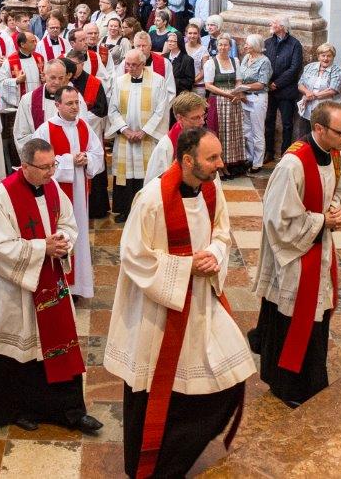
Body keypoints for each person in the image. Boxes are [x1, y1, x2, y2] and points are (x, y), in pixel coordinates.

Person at [107, 127, 251, 477]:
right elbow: (134, 256)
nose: (220, 164)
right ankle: (150, 465)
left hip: (200, 302)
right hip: (159, 309)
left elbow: (221, 232)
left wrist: (214, 255)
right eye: (212, 158)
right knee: (154, 387)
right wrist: (187, 267)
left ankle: (172, 458)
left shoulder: (212, 189)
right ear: (188, 160)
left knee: (230, 382)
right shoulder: (152, 198)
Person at [0, 138, 102, 434]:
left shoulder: (52, 188)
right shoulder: (2, 197)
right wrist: (44, 248)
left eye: (53, 164)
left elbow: (68, 222)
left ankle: (70, 411)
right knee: (22, 350)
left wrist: (63, 242)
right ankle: (20, 409)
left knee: (58, 342)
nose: (51, 172)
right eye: (44, 167)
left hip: (50, 280)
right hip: (15, 288)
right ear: (24, 166)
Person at [256, 101, 341, 406]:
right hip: (295, 253)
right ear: (319, 128)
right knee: (292, 314)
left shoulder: (336, 156)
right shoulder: (293, 164)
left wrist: (334, 210)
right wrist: (323, 220)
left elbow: (338, 190)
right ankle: (287, 385)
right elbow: (277, 218)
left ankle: (312, 379)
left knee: (317, 316)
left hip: (318, 246)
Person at [33, 85, 103, 298]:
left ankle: (78, 286)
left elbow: (97, 153)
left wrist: (87, 159)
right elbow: (36, 161)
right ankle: (59, 285)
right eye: (69, 103)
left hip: (79, 192)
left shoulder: (84, 126)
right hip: (55, 193)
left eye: (77, 103)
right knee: (59, 232)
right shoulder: (46, 129)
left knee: (79, 234)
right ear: (57, 105)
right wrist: (69, 161)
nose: (74, 107)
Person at [106, 50, 171, 223]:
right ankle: (124, 210)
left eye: (134, 65)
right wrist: (125, 130)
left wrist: (144, 131)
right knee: (124, 175)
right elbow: (112, 109)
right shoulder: (120, 81)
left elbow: (161, 111)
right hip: (125, 138)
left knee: (145, 174)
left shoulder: (158, 81)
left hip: (146, 138)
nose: (130, 68)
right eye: (127, 64)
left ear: (143, 64)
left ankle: (145, 211)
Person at [203, 36, 247, 174]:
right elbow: (208, 85)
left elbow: (238, 80)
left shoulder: (235, 61)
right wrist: (228, 94)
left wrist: (237, 92)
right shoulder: (211, 63)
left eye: (226, 45)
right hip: (219, 101)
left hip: (234, 101)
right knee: (220, 132)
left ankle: (228, 162)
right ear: (217, 46)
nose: (223, 47)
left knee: (232, 133)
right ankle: (219, 165)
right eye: (220, 45)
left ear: (230, 47)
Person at [145, 91, 208, 185]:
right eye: (196, 118)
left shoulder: (205, 140)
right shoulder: (166, 145)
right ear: (180, 118)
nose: (202, 122)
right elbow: (155, 184)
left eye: (203, 116)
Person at [264, 17, 304, 162]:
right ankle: (268, 152)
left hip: (286, 90)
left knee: (287, 123)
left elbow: (294, 68)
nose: (271, 25)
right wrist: (268, 83)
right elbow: (264, 64)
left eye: (273, 23)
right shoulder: (268, 43)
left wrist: (277, 83)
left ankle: (285, 152)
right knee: (269, 121)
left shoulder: (295, 44)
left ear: (282, 26)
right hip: (269, 90)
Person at [12, 57, 67, 150]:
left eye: (61, 78)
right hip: (40, 155)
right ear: (44, 76)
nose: (57, 82)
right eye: (53, 77)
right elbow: (21, 135)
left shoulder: (73, 98)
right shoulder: (28, 100)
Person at [295, 43, 341, 142]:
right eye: (323, 55)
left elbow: (332, 90)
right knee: (304, 138)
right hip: (307, 110)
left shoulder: (337, 71)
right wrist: (307, 92)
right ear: (318, 56)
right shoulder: (309, 67)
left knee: (321, 139)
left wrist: (312, 95)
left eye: (329, 56)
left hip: (324, 111)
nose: (326, 59)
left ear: (333, 57)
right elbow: (300, 84)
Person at [237, 34, 273, 173]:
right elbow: (240, 77)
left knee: (257, 131)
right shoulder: (246, 58)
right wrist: (241, 92)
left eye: (248, 44)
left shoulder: (265, 61)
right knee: (246, 130)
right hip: (245, 97)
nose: (245, 46)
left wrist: (244, 89)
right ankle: (249, 157)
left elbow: (261, 83)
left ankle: (257, 163)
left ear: (256, 46)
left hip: (257, 98)